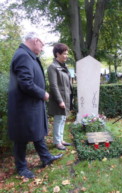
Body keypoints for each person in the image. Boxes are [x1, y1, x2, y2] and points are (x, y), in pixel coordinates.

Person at [8, 32, 63, 179]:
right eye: (42, 43)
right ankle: (21, 168)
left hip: (30, 104)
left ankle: (46, 158)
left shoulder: (27, 55)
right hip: (23, 106)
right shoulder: (23, 55)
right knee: (21, 137)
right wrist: (43, 93)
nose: (43, 47)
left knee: (37, 132)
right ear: (34, 40)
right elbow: (25, 82)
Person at [47, 43, 73, 150]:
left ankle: (61, 139)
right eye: (65, 54)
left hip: (66, 98)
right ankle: (57, 142)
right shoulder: (52, 67)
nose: (66, 56)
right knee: (58, 120)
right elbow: (53, 85)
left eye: (67, 54)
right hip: (60, 99)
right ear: (57, 54)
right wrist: (59, 100)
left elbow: (68, 84)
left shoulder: (64, 67)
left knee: (63, 119)